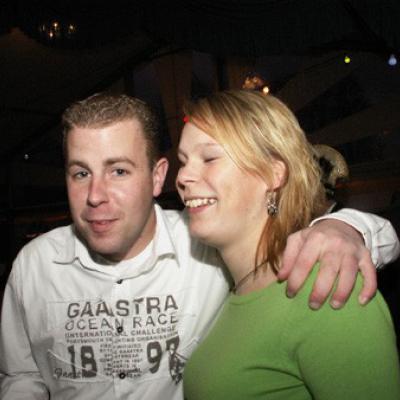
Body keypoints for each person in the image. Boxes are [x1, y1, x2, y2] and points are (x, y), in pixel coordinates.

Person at [0, 94, 398, 400]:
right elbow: (21, 376)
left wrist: (346, 227)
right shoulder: (35, 265)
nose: (95, 195)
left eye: (119, 170)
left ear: (157, 177)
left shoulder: (208, 249)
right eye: (80, 173)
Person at [179, 90, 400, 399]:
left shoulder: (328, 291)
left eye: (209, 158)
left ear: (273, 174)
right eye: (183, 161)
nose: (183, 176)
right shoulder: (235, 290)